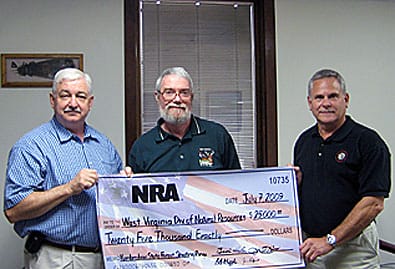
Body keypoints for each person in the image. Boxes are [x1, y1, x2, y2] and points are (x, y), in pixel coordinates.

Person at [3, 68, 131, 269]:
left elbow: (115, 203)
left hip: (102, 257)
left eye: (80, 96)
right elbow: (14, 211)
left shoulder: (104, 145)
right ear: (53, 100)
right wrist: (69, 188)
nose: (73, 103)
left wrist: (125, 185)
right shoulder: (31, 146)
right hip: (55, 258)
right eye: (65, 95)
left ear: (90, 103)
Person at [293, 68, 391, 268]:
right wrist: (295, 183)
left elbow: (374, 203)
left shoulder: (368, 142)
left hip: (353, 252)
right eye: (319, 97)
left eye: (333, 96)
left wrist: (330, 240)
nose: (326, 103)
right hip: (313, 249)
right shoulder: (304, 141)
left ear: (345, 99)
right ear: (310, 103)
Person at [128, 66, 241, 172]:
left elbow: (237, 184)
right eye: (169, 92)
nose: (177, 99)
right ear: (158, 97)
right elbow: (132, 191)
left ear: (191, 98)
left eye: (184, 93)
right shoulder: (142, 147)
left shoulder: (217, 136)